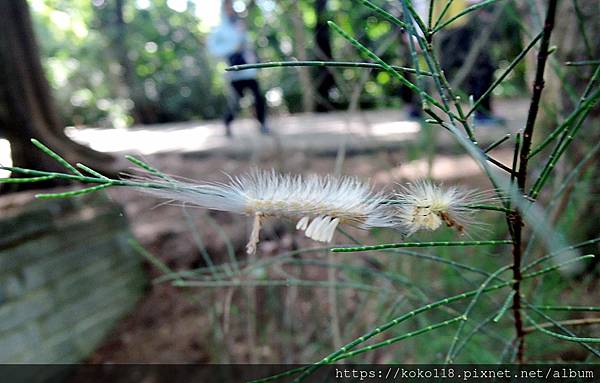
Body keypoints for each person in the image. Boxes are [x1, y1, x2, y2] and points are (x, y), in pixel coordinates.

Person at [207, 0, 269, 137]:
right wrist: (232, 49)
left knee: (258, 97)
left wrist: (254, 58)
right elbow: (213, 50)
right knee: (235, 102)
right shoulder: (219, 30)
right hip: (234, 72)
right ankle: (227, 123)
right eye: (227, 7)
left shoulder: (240, 25)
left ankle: (263, 124)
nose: (231, 10)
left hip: (249, 70)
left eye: (232, 7)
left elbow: (248, 45)